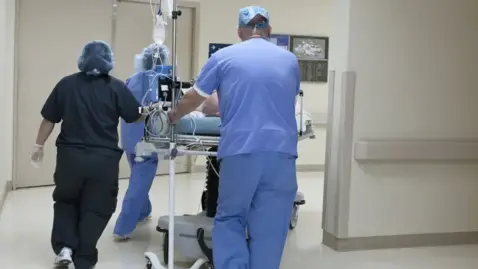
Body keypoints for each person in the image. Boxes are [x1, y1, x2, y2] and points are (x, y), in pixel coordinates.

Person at [167, 6, 300, 269]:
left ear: (240, 31)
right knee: (272, 224)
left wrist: (174, 114)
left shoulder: (224, 57)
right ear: (268, 30)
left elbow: (196, 96)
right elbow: (287, 96)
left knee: (231, 218)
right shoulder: (289, 60)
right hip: (282, 154)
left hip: (241, 151)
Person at [30, 40, 149, 269]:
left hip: (70, 159)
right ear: (109, 61)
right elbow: (134, 115)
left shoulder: (66, 85)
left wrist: (38, 145)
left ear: (82, 59)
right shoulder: (116, 87)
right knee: (97, 206)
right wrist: (151, 110)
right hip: (102, 161)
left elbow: (49, 119)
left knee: (66, 201)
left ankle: (65, 248)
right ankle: (84, 258)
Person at [113, 43, 169, 240]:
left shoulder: (131, 80)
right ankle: (123, 228)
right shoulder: (164, 80)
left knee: (138, 178)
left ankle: (143, 213)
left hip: (130, 138)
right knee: (138, 185)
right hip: (149, 141)